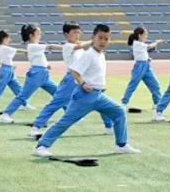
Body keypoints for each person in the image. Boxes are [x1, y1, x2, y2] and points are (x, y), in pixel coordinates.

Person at [33, 24, 141, 158]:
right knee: (66, 121)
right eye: (100, 38)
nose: (103, 41)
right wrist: (83, 84)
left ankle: (121, 145)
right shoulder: (89, 54)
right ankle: (42, 146)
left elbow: (95, 74)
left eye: (106, 39)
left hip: (98, 96)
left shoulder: (100, 55)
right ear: (93, 38)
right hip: (85, 96)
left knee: (119, 112)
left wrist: (101, 85)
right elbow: (74, 70)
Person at [29, 22, 98, 135]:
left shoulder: (79, 46)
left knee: (98, 100)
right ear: (66, 34)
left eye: (78, 32)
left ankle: (109, 125)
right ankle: (35, 127)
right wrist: (93, 40)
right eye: (74, 32)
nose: (77, 34)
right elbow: (79, 46)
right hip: (71, 80)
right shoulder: (68, 46)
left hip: (84, 79)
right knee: (55, 104)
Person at [0, 24, 62, 124]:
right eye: (38, 33)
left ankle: (70, 114)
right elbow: (50, 47)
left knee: (59, 93)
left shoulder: (36, 47)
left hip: (44, 74)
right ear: (31, 35)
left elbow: (40, 58)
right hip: (36, 74)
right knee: (23, 95)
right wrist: (67, 48)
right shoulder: (33, 46)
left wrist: (46, 64)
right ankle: (5, 114)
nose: (40, 35)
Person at [121, 28, 163, 110]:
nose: (146, 36)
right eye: (145, 34)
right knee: (133, 85)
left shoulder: (140, 44)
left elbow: (142, 53)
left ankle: (157, 103)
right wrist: (157, 42)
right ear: (140, 35)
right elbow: (150, 46)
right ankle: (124, 103)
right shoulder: (137, 43)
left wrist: (147, 58)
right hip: (139, 67)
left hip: (146, 66)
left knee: (155, 85)